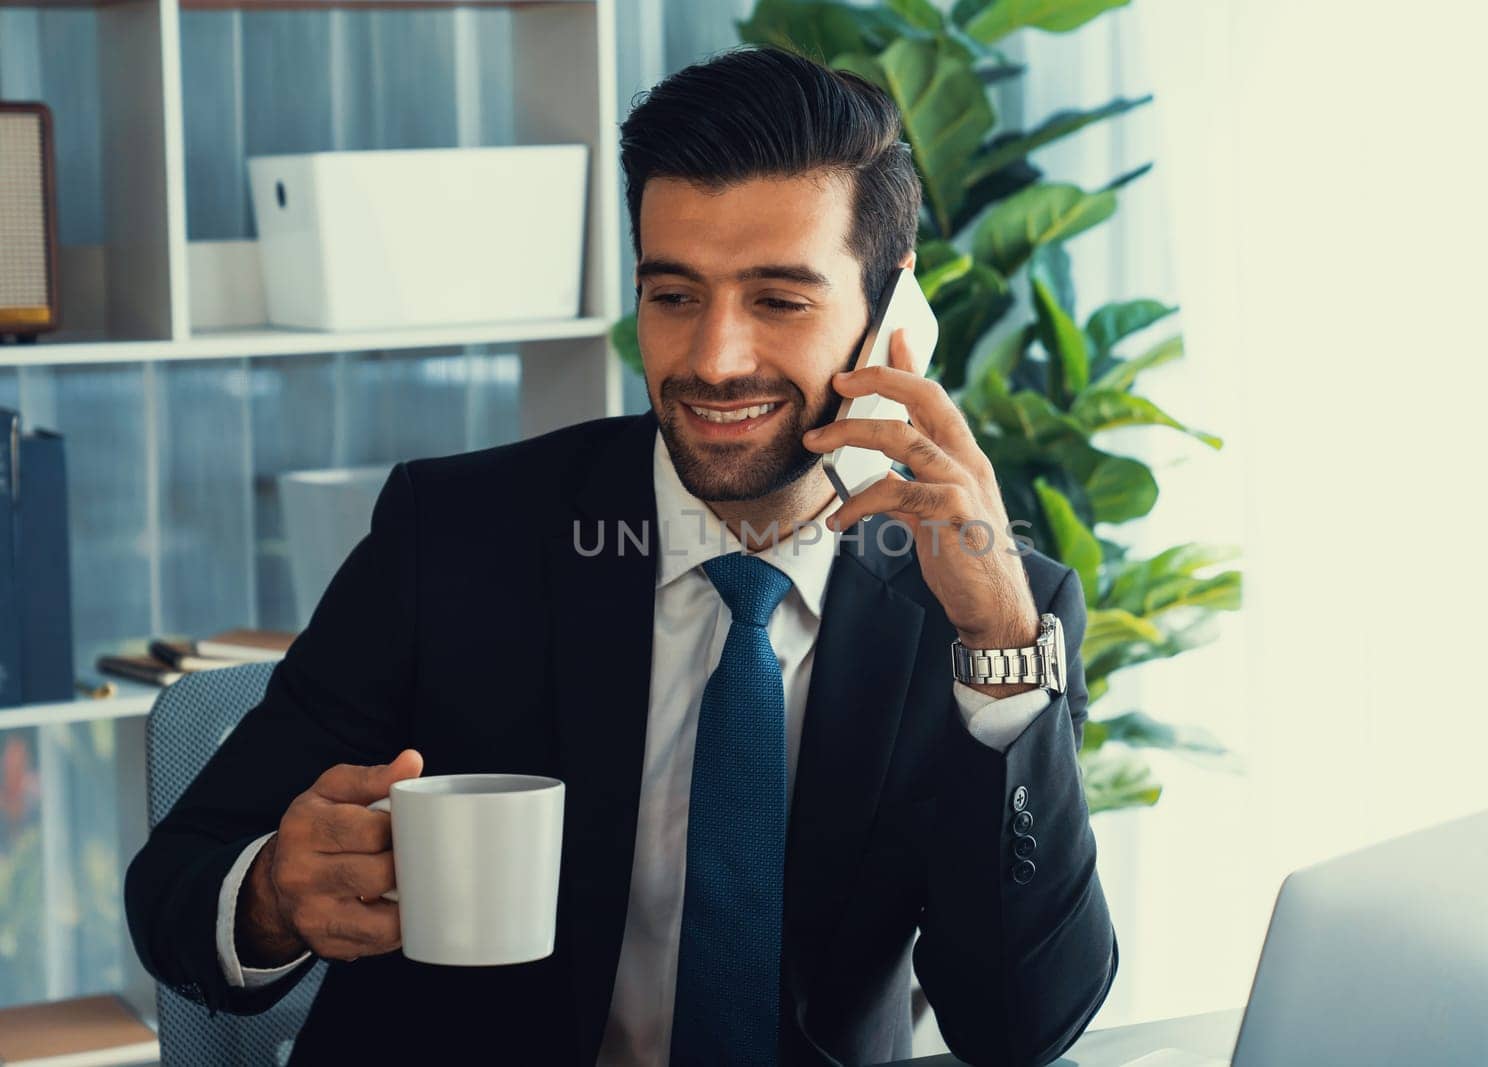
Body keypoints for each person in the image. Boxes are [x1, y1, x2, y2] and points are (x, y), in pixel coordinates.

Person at [124, 45, 1116, 1066]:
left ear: (891, 315)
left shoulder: (988, 609)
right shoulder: (456, 534)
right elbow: (175, 889)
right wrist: (275, 895)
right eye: (674, 294)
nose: (713, 359)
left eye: (779, 300)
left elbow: (1022, 1026)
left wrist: (1000, 647)